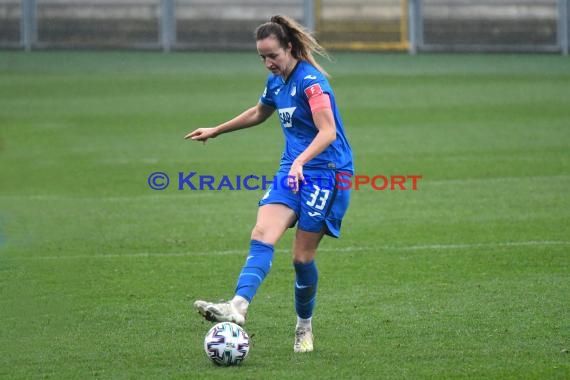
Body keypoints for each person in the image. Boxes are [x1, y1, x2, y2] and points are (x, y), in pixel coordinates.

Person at [184, 15, 353, 353]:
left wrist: (303, 161)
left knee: (301, 260)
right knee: (262, 233)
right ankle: (237, 306)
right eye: (262, 57)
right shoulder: (276, 82)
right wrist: (217, 129)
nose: (268, 62)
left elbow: (328, 132)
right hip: (294, 170)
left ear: (289, 48)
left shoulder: (312, 83)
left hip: (327, 172)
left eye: (272, 55)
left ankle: (304, 327)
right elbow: (260, 112)